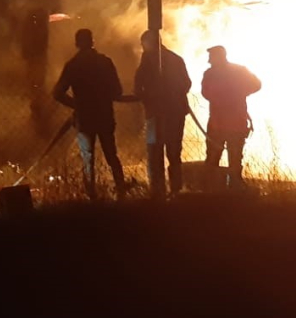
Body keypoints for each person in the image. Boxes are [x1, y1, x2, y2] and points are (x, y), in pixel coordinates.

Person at [52, 28, 126, 199]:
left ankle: (91, 196)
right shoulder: (105, 62)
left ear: (77, 44)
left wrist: (76, 105)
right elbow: (117, 90)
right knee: (112, 155)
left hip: (84, 119)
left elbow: (57, 93)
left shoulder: (72, 65)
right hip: (105, 115)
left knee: (87, 159)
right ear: (93, 41)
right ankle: (121, 191)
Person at [133, 30, 191, 199]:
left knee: (154, 150)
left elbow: (138, 85)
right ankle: (176, 189)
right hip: (176, 113)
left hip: (154, 114)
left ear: (148, 43)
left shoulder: (147, 60)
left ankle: (157, 190)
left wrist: (146, 96)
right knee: (174, 153)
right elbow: (186, 83)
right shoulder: (176, 59)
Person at [201, 45, 261, 190]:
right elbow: (256, 84)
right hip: (234, 121)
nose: (209, 60)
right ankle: (234, 183)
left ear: (218, 57)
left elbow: (206, 93)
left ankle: (212, 185)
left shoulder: (210, 73)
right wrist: (240, 93)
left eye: (211, 57)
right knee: (234, 155)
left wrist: (221, 97)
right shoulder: (239, 70)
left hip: (219, 122)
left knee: (214, 155)